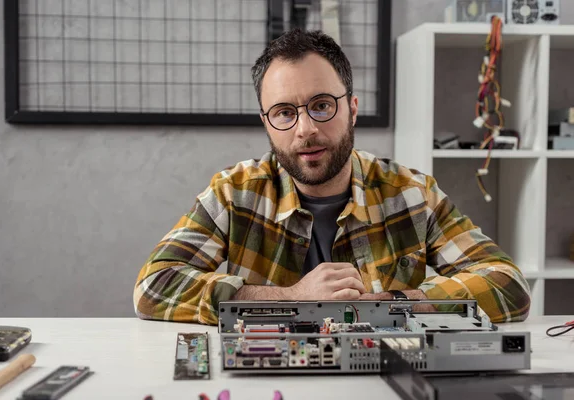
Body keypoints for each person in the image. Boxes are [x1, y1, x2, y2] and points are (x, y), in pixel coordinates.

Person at [133, 29, 531, 325]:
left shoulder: (411, 193)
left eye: (321, 105)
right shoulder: (234, 193)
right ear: (267, 123)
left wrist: (392, 301)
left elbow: (507, 284)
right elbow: (154, 286)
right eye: (285, 113)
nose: (304, 129)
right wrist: (289, 298)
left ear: (352, 109)